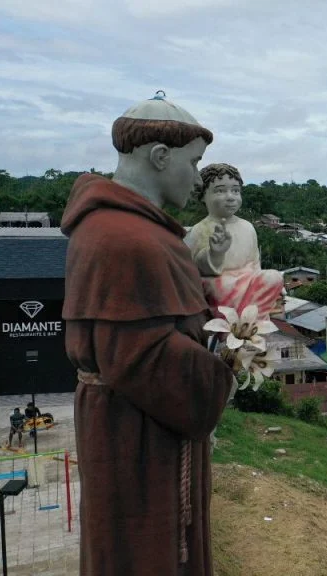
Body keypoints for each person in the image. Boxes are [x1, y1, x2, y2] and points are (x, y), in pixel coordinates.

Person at [61, 92, 235, 576]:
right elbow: (140, 356)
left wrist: (217, 297)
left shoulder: (126, 229)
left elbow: (152, 312)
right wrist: (230, 365)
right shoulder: (126, 239)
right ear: (160, 157)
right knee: (144, 552)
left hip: (136, 426)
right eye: (194, 162)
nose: (199, 178)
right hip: (138, 439)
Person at [184, 163, 283, 319]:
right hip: (219, 287)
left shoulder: (248, 227)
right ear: (203, 195)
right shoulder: (199, 230)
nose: (230, 197)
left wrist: (264, 281)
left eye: (235, 190)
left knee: (274, 277)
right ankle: (233, 323)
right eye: (220, 191)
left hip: (248, 284)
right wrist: (215, 254)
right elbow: (188, 269)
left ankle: (252, 321)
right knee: (222, 285)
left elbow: (255, 264)